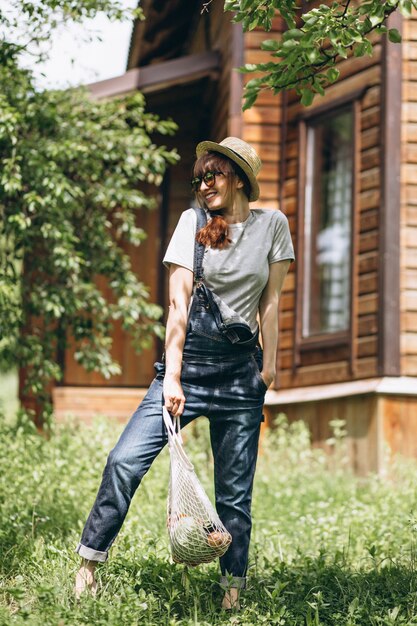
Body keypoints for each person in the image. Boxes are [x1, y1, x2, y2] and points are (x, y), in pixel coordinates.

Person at [74, 137, 295, 609]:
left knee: (234, 494)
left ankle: (231, 593)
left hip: (241, 376)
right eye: (198, 178)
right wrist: (172, 377)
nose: (202, 185)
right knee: (124, 460)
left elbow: (271, 301)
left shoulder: (272, 225)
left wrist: (270, 368)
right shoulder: (191, 222)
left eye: (211, 175)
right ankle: (88, 566)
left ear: (237, 176)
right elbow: (178, 304)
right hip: (188, 368)